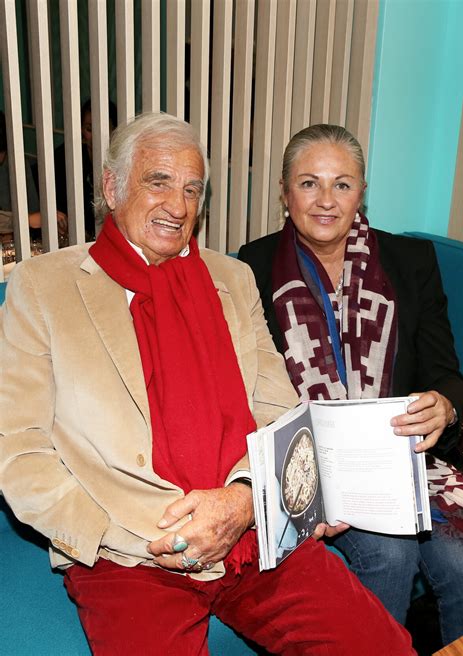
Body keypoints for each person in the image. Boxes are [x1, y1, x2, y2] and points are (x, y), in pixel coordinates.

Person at [0, 113, 415, 655]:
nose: (178, 205)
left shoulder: (232, 278)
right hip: (131, 556)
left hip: (250, 533)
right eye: (159, 182)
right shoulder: (44, 285)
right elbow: (19, 448)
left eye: (193, 189)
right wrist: (120, 537)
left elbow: (278, 408)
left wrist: (245, 499)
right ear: (111, 186)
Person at [238, 123, 463, 646]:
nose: (326, 200)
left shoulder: (410, 263)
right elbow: (246, 391)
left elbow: (445, 374)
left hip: (406, 455)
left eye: (342, 184)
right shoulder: (250, 268)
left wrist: (444, 407)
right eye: (309, 183)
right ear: (284, 191)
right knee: (390, 554)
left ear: (361, 193)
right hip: (311, 463)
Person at [53, 98, 117, 241]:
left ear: (114, 129)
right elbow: (58, 206)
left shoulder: (121, 161)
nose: (95, 137)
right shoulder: (66, 157)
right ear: (82, 130)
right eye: (89, 129)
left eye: (104, 129)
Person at [0, 110, 67, 243]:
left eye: (2, 152)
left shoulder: (16, 162)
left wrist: (47, 220)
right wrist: (27, 220)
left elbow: (35, 210)